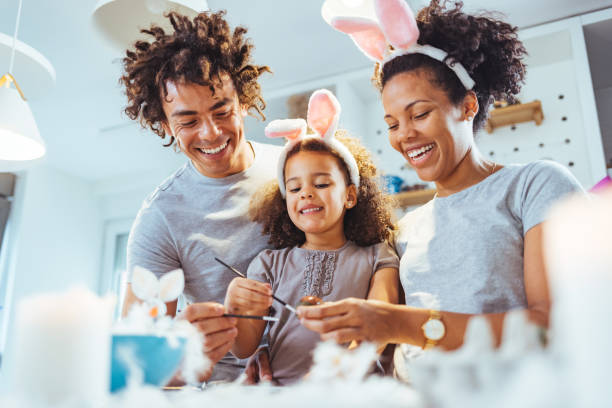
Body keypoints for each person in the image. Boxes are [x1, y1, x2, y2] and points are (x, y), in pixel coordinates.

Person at [299, 0, 584, 373]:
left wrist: (395, 322)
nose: (405, 136)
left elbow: (551, 328)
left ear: (467, 106)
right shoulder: (404, 230)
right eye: (392, 123)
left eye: (419, 114)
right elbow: (390, 343)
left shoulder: (535, 185)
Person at [119, 10, 281, 382]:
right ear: (164, 124)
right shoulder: (161, 218)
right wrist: (185, 353)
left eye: (222, 110)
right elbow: (135, 367)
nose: (210, 133)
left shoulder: (294, 167)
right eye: (188, 121)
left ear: (243, 101)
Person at [224, 90, 399, 385]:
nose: (306, 193)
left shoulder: (378, 256)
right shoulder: (268, 263)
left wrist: (346, 365)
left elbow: (381, 323)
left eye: (321, 183)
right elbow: (244, 347)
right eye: (294, 188)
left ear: (350, 195)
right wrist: (237, 308)